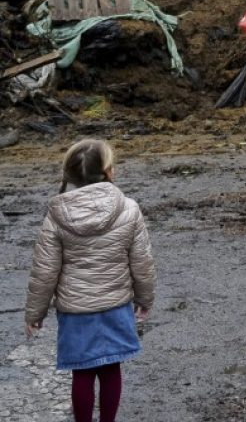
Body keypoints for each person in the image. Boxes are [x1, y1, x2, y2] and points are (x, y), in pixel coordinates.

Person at [24, 138, 156, 422]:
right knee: (111, 370)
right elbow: (141, 261)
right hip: (115, 305)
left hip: (76, 312)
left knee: (81, 372)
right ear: (109, 171)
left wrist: (35, 313)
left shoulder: (57, 215)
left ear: (69, 174)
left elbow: (45, 269)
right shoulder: (129, 208)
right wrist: (145, 298)